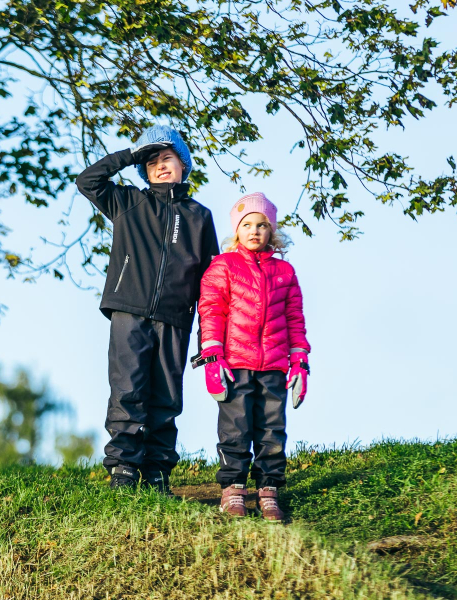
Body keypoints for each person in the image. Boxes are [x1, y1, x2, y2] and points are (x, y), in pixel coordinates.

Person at [75, 125, 219, 494]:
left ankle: (157, 472)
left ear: (183, 164)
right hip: (129, 310)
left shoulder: (199, 217)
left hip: (175, 318)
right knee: (127, 389)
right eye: (151, 161)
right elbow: (87, 181)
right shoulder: (127, 203)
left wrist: (209, 336)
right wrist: (131, 155)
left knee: (166, 397)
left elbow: (212, 281)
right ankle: (123, 468)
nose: (160, 166)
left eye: (167, 158)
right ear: (143, 169)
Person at [195, 192, 310, 521]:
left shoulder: (284, 272)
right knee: (236, 428)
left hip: (274, 365)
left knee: (272, 429)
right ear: (237, 230)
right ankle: (233, 488)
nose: (254, 230)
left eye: (262, 225)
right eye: (247, 225)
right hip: (234, 364)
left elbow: (295, 318)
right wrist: (212, 354)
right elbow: (211, 310)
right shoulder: (223, 266)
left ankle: (268, 490)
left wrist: (300, 361)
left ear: (271, 230)